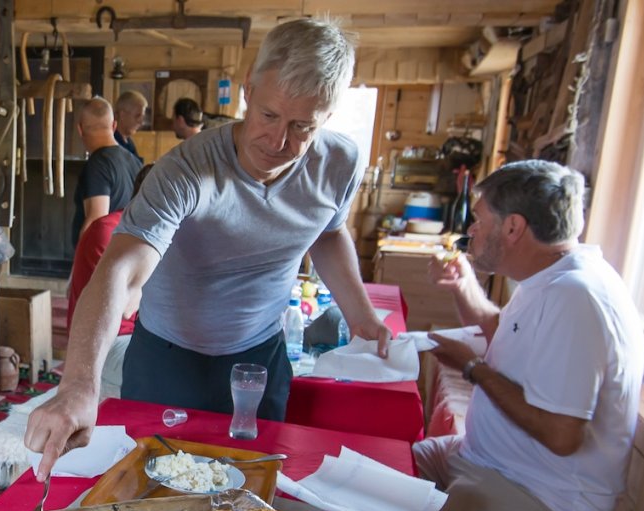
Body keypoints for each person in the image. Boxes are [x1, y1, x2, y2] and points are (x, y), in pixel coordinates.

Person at [25, 18, 391, 478]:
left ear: (326, 119)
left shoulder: (340, 163)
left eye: (302, 127)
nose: (278, 142)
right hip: (168, 355)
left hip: (260, 356)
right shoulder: (187, 170)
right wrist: (79, 384)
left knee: (251, 496)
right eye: (269, 116)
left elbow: (329, 231)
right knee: (153, 497)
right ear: (247, 90)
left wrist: (361, 316)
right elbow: (120, 269)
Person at [416, 160, 643, 511]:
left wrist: (472, 369)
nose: (471, 228)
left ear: (513, 227)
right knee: (391, 467)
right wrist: (462, 286)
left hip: (547, 495)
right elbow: (505, 329)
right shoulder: (554, 276)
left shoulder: (576, 297)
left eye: (479, 218)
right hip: (488, 459)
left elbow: (563, 436)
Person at [68, 164, 153, 398]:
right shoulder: (111, 231)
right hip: (109, 342)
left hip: (140, 336)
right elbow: (126, 309)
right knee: (169, 374)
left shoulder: (152, 233)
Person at [71, 97, 142, 248]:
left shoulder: (98, 164)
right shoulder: (135, 162)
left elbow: (96, 221)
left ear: (80, 129)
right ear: (114, 125)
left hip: (101, 258)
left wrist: (80, 263)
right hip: (125, 253)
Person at [112, 90, 147, 161]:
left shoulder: (129, 142)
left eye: (142, 117)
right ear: (122, 115)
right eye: (137, 116)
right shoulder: (112, 142)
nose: (141, 122)